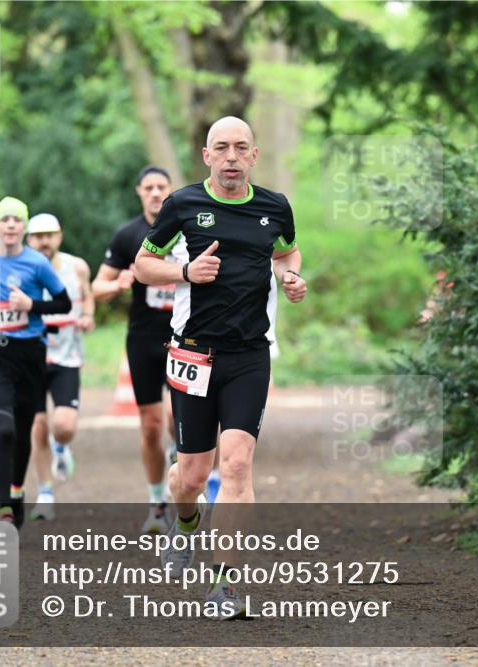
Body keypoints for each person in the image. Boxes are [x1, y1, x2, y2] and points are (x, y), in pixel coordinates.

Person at [134, 116, 307, 618]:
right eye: (221, 148)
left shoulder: (275, 207)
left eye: (241, 148)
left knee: (235, 466)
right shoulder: (183, 205)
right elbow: (143, 267)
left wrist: (292, 277)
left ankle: (226, 585)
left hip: (250, 354)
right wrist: (185, 271)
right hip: (193, 352)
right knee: (191, 475)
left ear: (254, 156)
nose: (231, 157)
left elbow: (287, 252)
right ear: (206, 155)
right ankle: (182, 520)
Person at [0, 197, 71, 528]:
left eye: (16, 220)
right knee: (4, 428)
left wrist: (31, 304)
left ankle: (18, 489)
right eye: (5, 219)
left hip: (30, 355)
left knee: (23, 431)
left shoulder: (37, 262)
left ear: (24, 227)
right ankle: (4, 508)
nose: (10, 225)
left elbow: (64, 304)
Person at [91, 166, 178, 533]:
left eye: (161, 187)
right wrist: (119, 284)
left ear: (171, 190)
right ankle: (157, 504)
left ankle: (186, 472)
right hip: (142, 339)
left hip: (183, 338)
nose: (156, 193)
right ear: (139, 192)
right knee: (150, 426)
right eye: (149, 188)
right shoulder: (128, 235)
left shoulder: (186, 229)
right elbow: (97, 287)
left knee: (181, 420)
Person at [23, 213, 95, 520]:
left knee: (63, 426)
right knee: (37, 425)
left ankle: (61, 447)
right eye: (37, 236)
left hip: (66, 358)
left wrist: (88, 316)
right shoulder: (20, 269)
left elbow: (88, 298)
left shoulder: (76, 266)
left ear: (59, 237)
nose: (43, 241)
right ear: (28, 240)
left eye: (49, 235)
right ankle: (45, 493)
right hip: (32, 358)